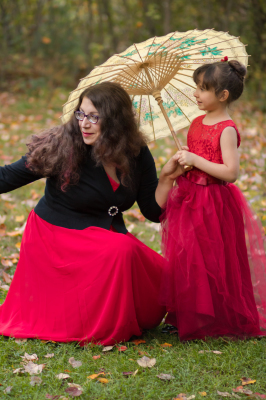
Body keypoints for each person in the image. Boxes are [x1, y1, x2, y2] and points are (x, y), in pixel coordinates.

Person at [0, 82, 183, 345]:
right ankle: (103, 324)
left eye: (94, 117)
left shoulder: (136, 152)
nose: (84, 123)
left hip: (102, 236)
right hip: (55, 236)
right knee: (121, 250)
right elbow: (6, 177)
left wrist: (166, 178)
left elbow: (153, 212)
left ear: (115, 121)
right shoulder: (64, 145)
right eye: (81, 114)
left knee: (163, 273)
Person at [157, 59, 266, 341]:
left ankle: (218, 316)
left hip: (214, 201)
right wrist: (186, 162)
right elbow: (195, 160)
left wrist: (197, 159)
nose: (196, 94)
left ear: (223, 95)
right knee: (188, 255)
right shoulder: (196, 123)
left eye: (202, 89)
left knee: (214, 258)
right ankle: (186, 314)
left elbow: (231, 172)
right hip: (189, 197)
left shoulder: (227, 129)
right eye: (197, 87)